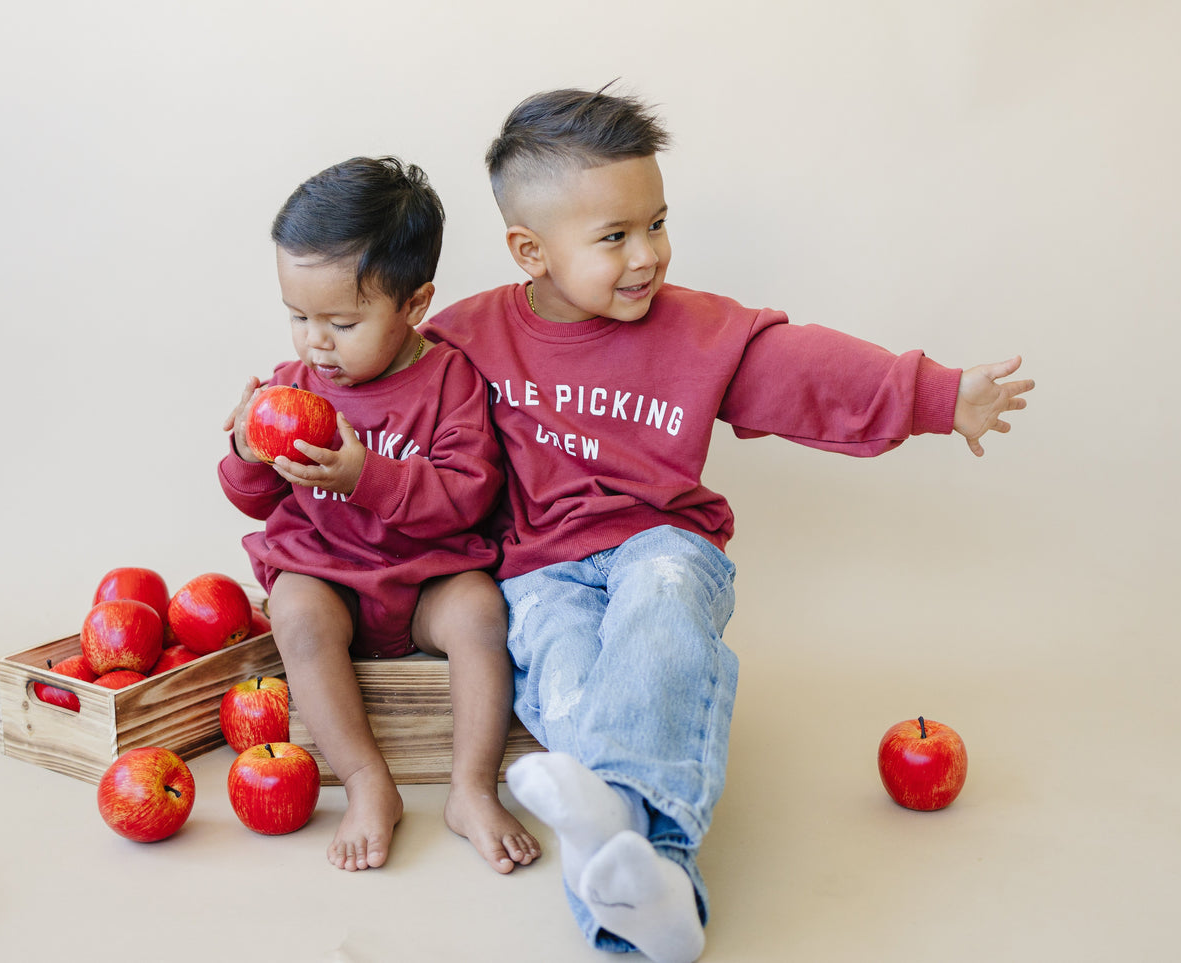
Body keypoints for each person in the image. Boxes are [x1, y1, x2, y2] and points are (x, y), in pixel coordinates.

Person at [423, 86, 1034, 962]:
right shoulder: (464, 339)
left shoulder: (695, 331)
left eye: (656, 223)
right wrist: (286, 412)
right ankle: (656, 897)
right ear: (530, 251)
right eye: (613, 237)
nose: (647, 256)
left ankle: (608, 803)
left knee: (664, 598)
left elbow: (808, 370)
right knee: (558, 667)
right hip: (538, 571)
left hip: (658, 543)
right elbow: (386, 399)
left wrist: (937, 394)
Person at [218, 156, 541, 876]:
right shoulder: (291, 386)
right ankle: (368, 780)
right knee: (295, 612)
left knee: (480, 612)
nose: (315, 343)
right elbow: (259, 500)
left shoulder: (448, 379)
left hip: (424, 578)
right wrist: (245, 451)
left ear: (414, 304)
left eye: (341, 320)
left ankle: (469, 786)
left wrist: (366, 473)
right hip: (330, 574)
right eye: (297, 317)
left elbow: (467, 494)